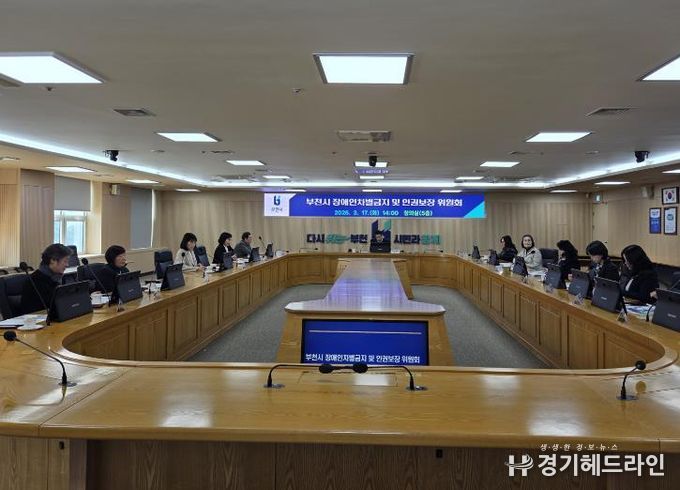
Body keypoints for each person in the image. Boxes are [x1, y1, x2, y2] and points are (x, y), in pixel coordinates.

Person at [20, 243, 72, 314]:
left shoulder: (55, 278)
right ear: (53, 260)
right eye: (65, 261)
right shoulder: (34, 282)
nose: (67, 265)